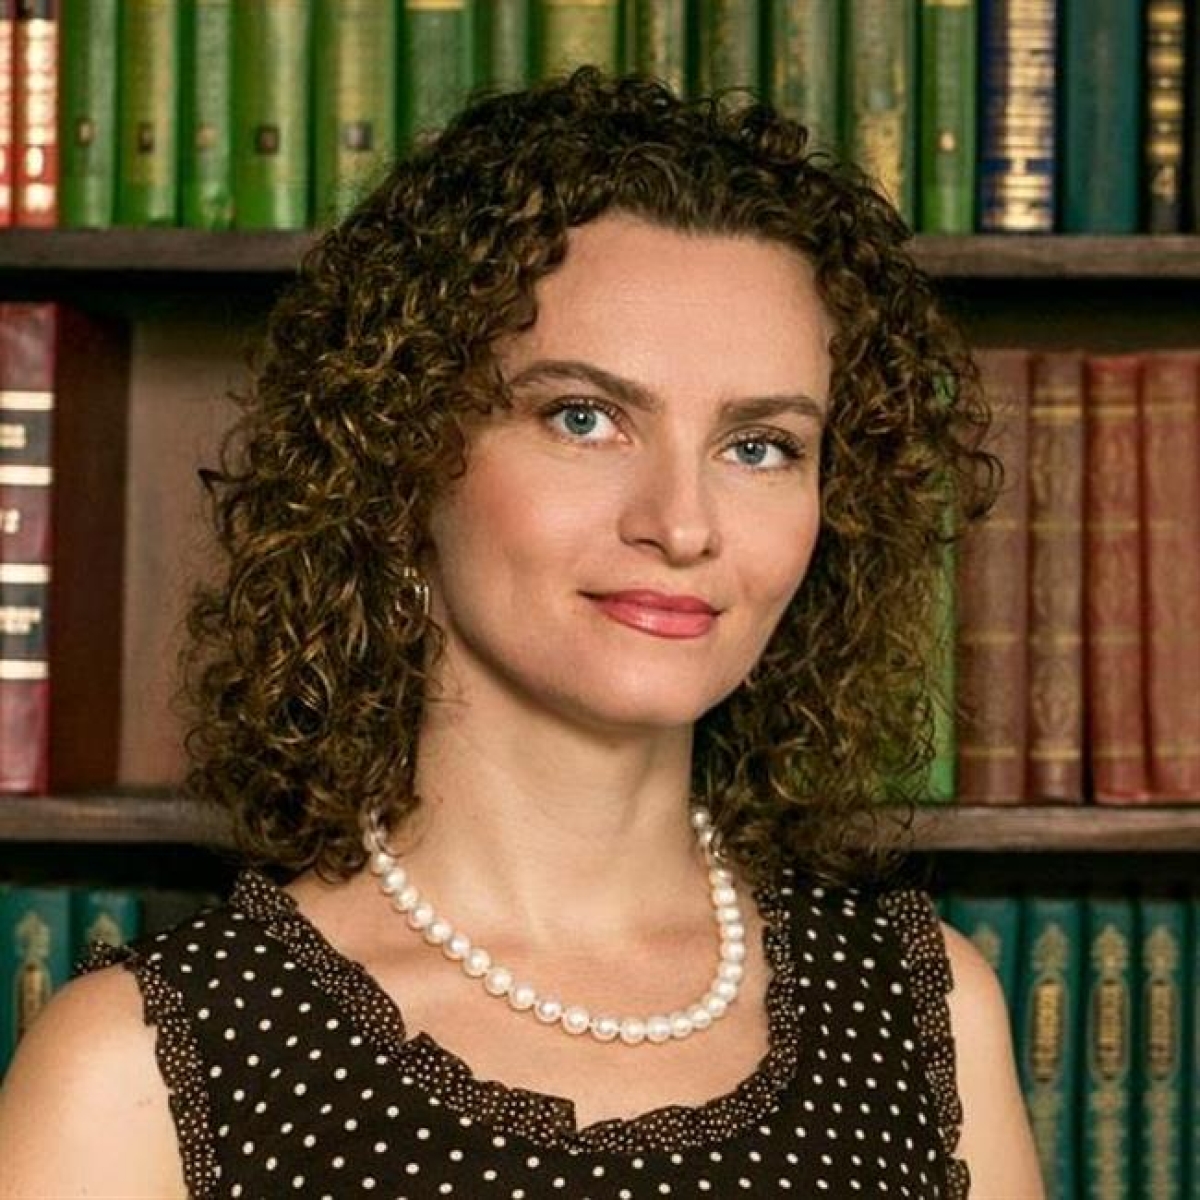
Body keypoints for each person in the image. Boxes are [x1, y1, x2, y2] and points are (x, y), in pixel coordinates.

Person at [0, 70, 1043, 1198]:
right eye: (583, 418)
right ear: (405, 457)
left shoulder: (926, 1007)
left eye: (760, 447)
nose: (682, 524)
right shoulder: (138, 1071)